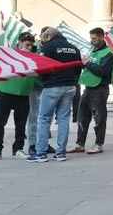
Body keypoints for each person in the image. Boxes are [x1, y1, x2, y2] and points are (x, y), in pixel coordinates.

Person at [28, 27, 82, 163]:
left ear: (49, 36)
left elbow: (41, 66)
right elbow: (78, 68)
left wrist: (44, 79)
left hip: (52, 86)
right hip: (70, 86)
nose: (43, 40)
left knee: (44, 119)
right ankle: (61, 152)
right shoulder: (73, 48)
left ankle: (41, 152)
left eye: (44, 38)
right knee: (63, 119)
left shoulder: (48, 47)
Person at [0, 33, 37, 160]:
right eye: (27, 44)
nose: (29, 47)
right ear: (20, 42)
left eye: (31, 45)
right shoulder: (10, 54)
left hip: (23, 94)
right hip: (5, 92)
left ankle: (18, 149)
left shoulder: (33, 56)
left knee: (20, 124)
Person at [71, 28, 113, 155]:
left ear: (102, 37)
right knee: (82, 117)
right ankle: (80, 144)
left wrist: (87, 63)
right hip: (88, 87)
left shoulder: (108, 53)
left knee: (99, 117)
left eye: (94, 38)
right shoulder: (92, 51)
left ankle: (99, 144)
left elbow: (103, 71)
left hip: (100, 89)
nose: (92, 41)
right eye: (91, 38)